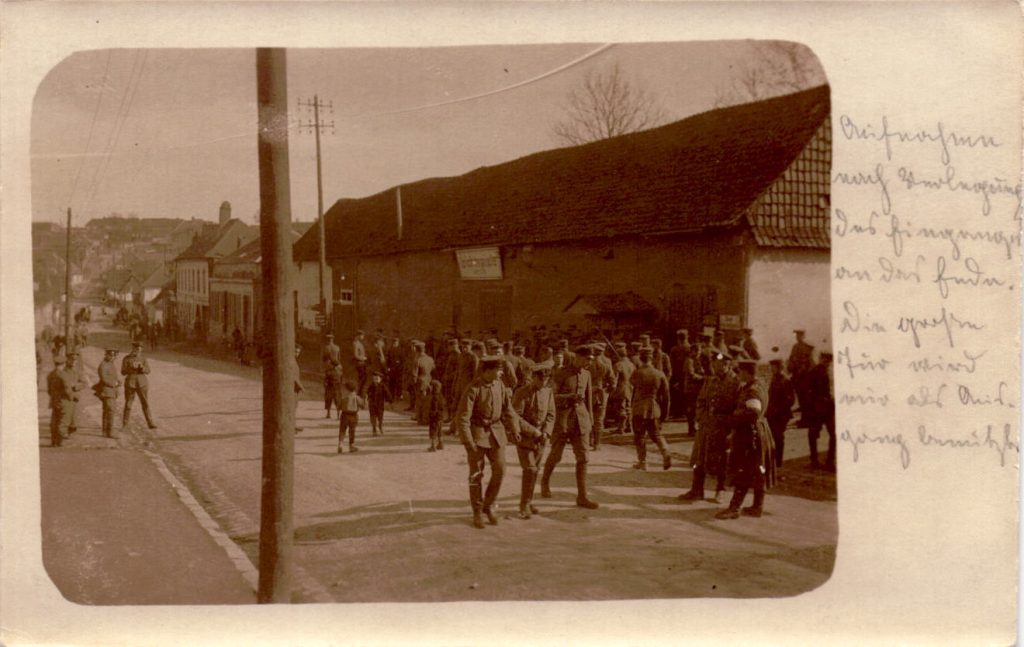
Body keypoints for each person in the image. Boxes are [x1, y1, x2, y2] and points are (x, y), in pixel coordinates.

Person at [455, 355, 520, 529]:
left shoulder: (500, 385)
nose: (501, 373)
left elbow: (509, 410)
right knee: (476, 474)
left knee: (500, 469)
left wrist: (515, 429)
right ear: (487, 371)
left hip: (497, 433)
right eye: (498, 370)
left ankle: (489, 505)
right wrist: (468, 442)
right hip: (477, 435)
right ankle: (477, 511)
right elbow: (463, 418)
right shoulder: (473, 388)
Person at [539, 345, 599, 510]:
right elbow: (550, 397)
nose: (589, 362)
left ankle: (582, 496)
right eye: (587, 359)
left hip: (581, 421)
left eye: (591, 360)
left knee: (583, 458)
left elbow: (588, 400)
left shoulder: (586, 374)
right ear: (577, 357)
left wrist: (590, 422)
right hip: (563, 421)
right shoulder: (561, 373)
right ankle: (544, 482)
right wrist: (569, 397)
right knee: (556, 455)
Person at [716, 359, 776, 519]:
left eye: (740, 371)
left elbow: (753, 413)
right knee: (759, 471)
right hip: (760, 432)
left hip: (750, 435)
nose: (738, 374)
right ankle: (757, 507)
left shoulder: (752, 390)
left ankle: (734, 508)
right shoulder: (760, 385)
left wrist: (731, 418)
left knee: (743, 471)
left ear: (747, 372)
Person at [678, 351, 737, 504]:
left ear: (728, 365)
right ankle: (697, 489)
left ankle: (721, 490)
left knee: (722, 459)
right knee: (699, 458)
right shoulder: (711, 381)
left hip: (723, 428)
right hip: (706, 426)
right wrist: (701, 418)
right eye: (715, 365)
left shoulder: (735, 383)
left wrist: (729, 425)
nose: (717, 369)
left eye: (720, 366)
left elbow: (737, 408)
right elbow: (701, 400)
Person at [512, 364, 555, 519]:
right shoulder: (521, 392)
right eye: (541, 379)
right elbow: (515, 416)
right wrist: (533, 431)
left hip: (541, 439)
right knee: (530, 469)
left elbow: (551, 414)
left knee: (535, 470)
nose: (544, 382)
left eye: (547, 380)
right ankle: (523, 505)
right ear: (534, 377)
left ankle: (529, 502)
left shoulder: (548, 392)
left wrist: (546, 432)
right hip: (525, 438)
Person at [630, 346, 672, 471]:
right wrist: (665, 414)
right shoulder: (659, 374)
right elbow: (666, 397)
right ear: (651, 358)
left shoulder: (637, 373)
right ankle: (665, 452)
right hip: (654, 408)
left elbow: (632, 384)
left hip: (639, 408)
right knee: (656, 434)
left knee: (640, 436)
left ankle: (642, 462)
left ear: (640, 358)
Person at [805, 351, 836, 471]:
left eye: (828, 360)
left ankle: (829, 461)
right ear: (820, 358)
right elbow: (808, 390)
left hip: (829, 408)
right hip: (817, 408)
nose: (826, 362)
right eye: (824, 359)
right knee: (813, 434)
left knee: (833, 434)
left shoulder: (832, 372)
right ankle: (814, 460)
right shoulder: (814, 371)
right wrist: (812, 406)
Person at [766, 359, 795, 468]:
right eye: (771, 367)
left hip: (781, 415)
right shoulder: (774, 379)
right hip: (772, 414)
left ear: (780, 368)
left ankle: (778, 462)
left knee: (778, 438)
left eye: (774, 367)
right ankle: (773, 460)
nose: (771, 369)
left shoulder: (785, 381)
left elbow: (790, 400)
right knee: (772, 437)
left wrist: (777, 410)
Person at [121, 341, 158, 430]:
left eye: (140, 349)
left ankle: (150, 422)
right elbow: (123, 372)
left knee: (145, 403)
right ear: (133, 348)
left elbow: (148, 371)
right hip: (130, 384)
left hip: (142, 383)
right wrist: (131, 368)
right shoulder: (126, 358)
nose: (138, 350)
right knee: (128, 404)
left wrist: (142, 368)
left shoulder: (143, 359)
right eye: (136, 348)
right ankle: (125, 424)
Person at [588, 342, 616, 450]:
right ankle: (597, 444)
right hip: (602, 393)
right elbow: (612, 382)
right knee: (599, 418)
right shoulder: (607, 363)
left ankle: (589, 440)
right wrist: (607, 391)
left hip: (589, 392)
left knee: (588, 416)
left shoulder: (588, 362)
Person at [47, 356, 80, 447]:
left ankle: (53, 441)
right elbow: (67, 389)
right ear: (64, 364)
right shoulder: (63, 375)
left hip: (54, 400)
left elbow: (49, 390)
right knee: (63, 421)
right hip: (65, 401)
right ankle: (59, 442)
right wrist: (74, 397)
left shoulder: (51, 374)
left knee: (54, 421)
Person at [787, 329, 815, 425]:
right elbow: (791, 359)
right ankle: (804, 419)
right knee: (801, 398)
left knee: (806, 399)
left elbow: (811, 362)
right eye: (796, 335)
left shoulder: (808, 347)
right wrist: (790, 368)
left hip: (805, 377)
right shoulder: (795, 346)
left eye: (799, 335)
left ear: (804, 336)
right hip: (797, 377)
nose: (797, 337)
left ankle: (807, 420)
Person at [95, 348, 121, 437]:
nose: (113, 357)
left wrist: (118, 381)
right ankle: (109, 432)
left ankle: (105, 431)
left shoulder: (111, 364)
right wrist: (114, 383)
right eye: (111, 355)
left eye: (114, 356)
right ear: (106, 355)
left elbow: (113, 376)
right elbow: (104, 378)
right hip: (107, 391)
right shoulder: (103, 365)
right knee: (110, 411)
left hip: (111, 391)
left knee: (107, 411)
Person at [336, 380, 365, 454]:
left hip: (344, 415)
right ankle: (351, 446)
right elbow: (363, 406)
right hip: (353, 415)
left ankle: (340, 444)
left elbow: (339, 406)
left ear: (346, 389)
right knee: (352, 431)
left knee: (342, 430)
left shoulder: (344, 397)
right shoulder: (356, 397)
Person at [366, 370, 392, 436]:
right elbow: (367, 393)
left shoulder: (383, 386)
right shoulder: (371, 386)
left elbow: (387, 394)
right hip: (372, 404)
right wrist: (367, 398)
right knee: (373, 417)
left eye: (377, 379)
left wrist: (389, 400)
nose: (375, 380)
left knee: (380, 417)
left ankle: (380, 426)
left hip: (380, 404)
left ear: (380, 379)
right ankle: (374, 429)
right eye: (374, 379)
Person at [426, 379, 446, 452]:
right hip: (440, 417)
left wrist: (431, 415)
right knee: (439, 431)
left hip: (435, 417)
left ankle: (433, 446)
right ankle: (441, 444)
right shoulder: (441, 396)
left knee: (433, 431)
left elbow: (434, 408)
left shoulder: (434, 397)